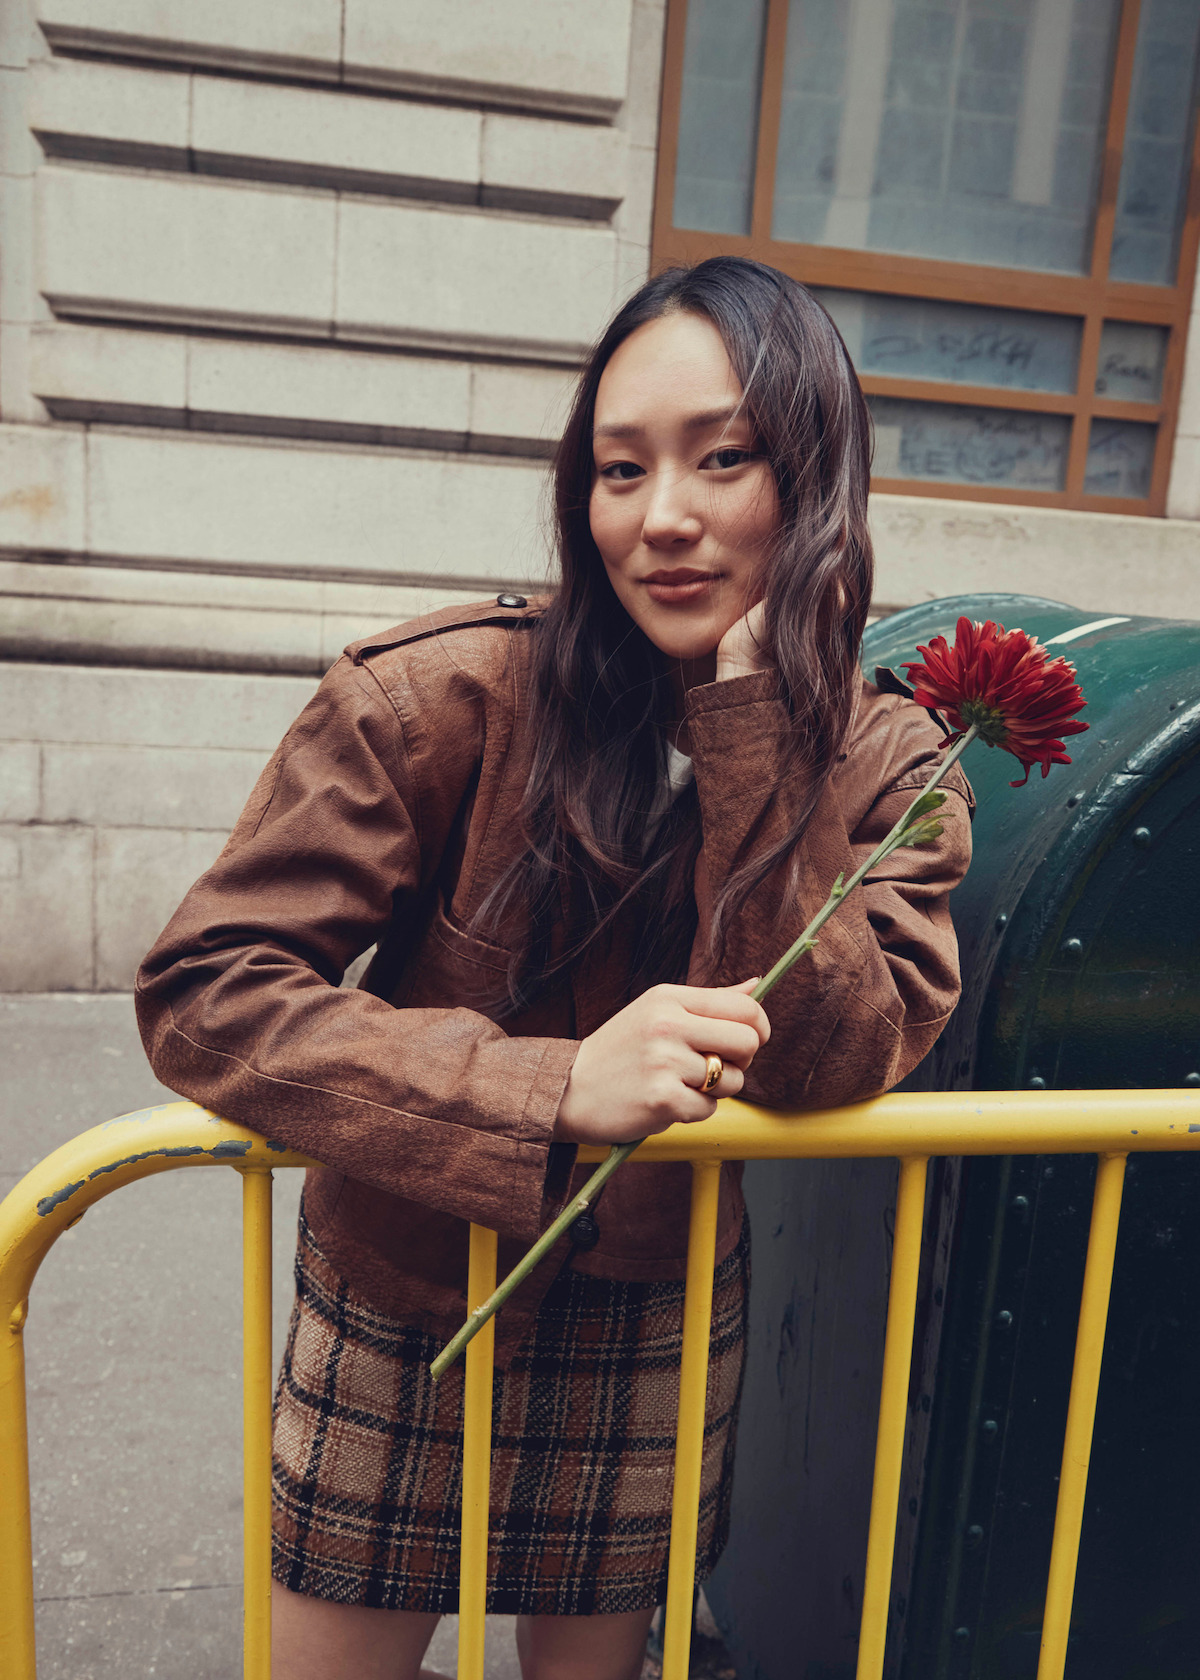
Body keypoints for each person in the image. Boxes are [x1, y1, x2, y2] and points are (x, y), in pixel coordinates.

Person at [136, 256, 972, 1680]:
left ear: (819, 480)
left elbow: (840, 1058)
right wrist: (546, 1089)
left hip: (652, 1298)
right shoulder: (438, 696)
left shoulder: (895, 761)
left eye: (725, 459)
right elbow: (208, 990)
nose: (663, 519)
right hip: (408, 1290)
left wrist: (753, 723)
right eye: (617, 469)